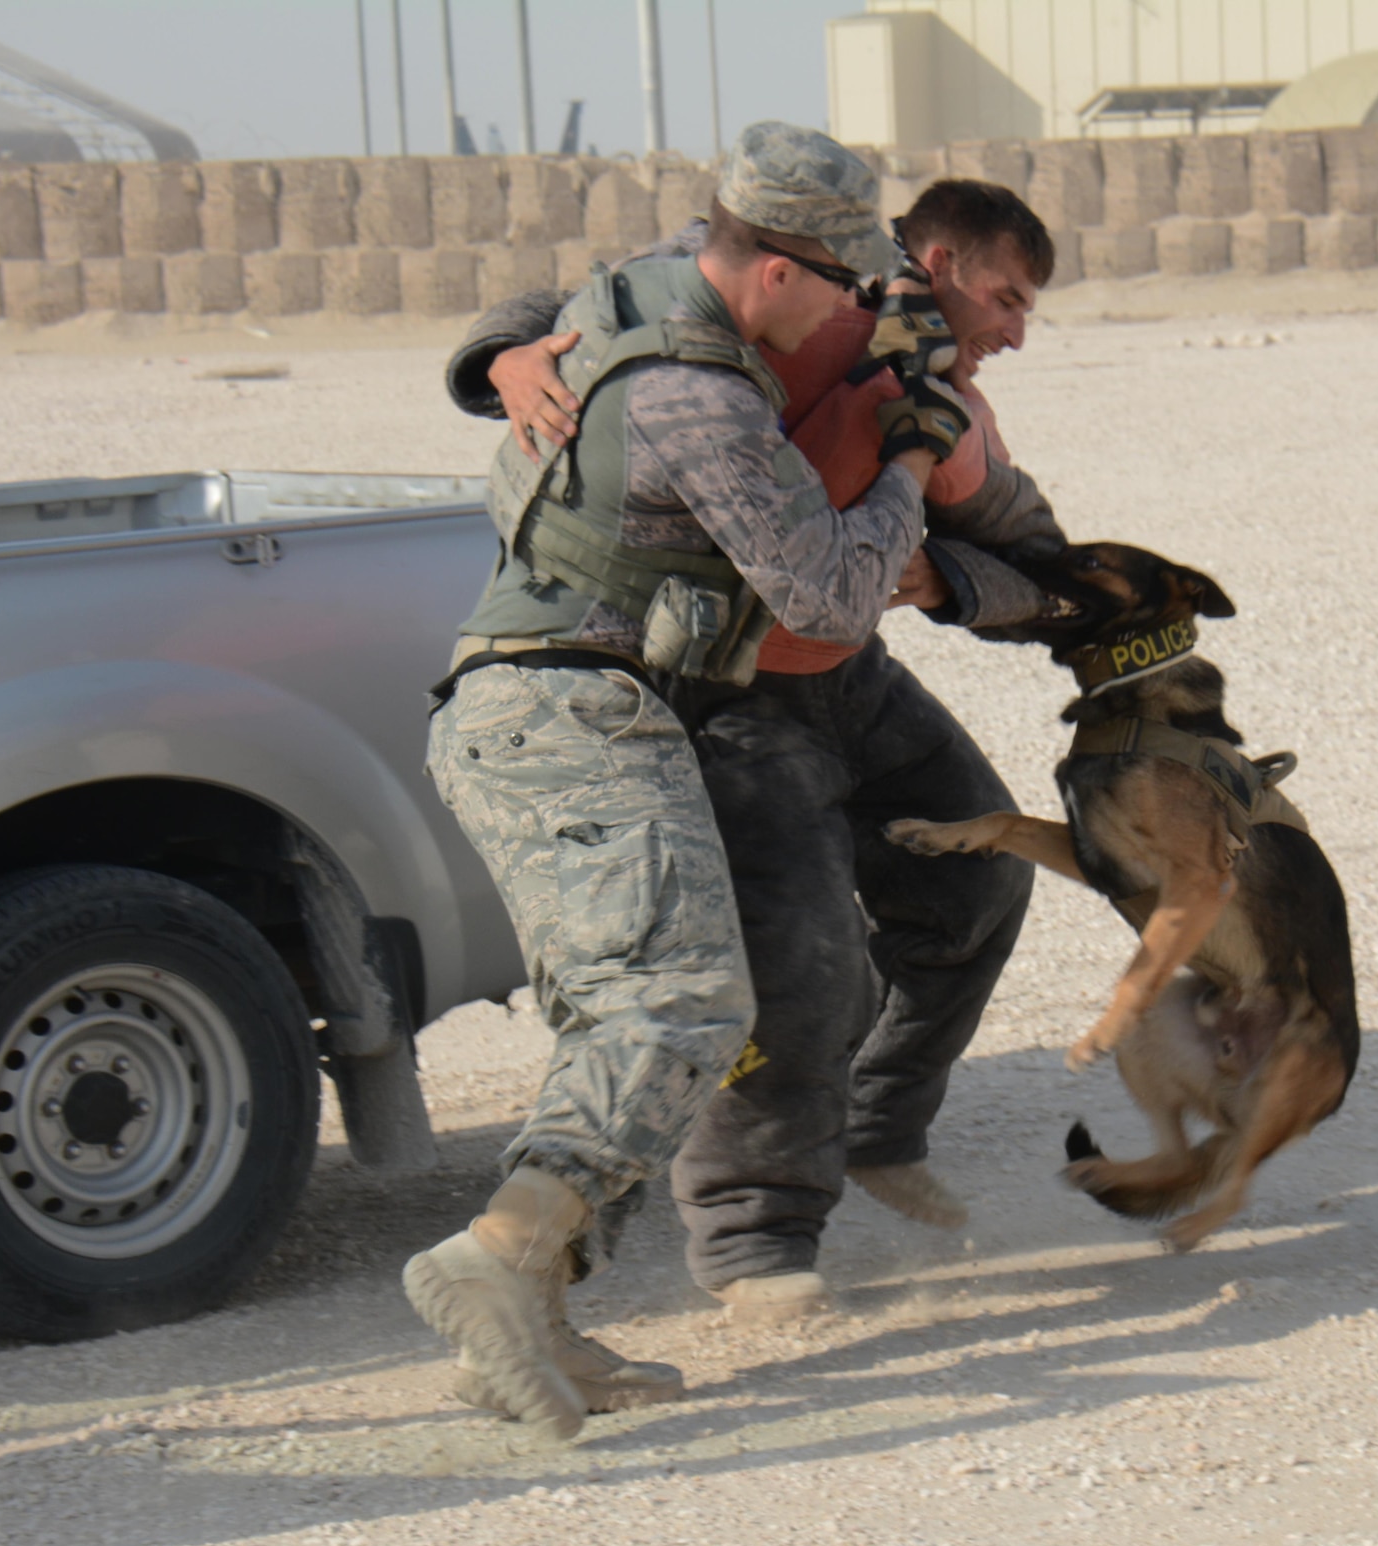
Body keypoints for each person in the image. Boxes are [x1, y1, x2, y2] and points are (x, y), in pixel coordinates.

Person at [405, 122, 974, 1440]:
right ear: (774, 271)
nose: (854, 309)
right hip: (563, 717)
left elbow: (538, 318)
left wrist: (498, 352)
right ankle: (493, 1258)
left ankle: (531, 1320)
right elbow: (831, 589)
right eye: (841, 284)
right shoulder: (701, 396)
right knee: (684, 1007)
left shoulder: (650, 292)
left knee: (636, 1015)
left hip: (565, 711)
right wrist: (906, 452)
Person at [448, 180, 1072, 1325]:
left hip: (851, 681)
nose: (1016, 333)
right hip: (720, 695)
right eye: (1005, 298)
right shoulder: (771, 298)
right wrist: (503, 357)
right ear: (932, 261)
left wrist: (951, 581)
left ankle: (880, 1123)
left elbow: (1044, 564)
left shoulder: (950, 413)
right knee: (799, 962)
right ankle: (754, 1246)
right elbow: (597, 302)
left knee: (977, 875)